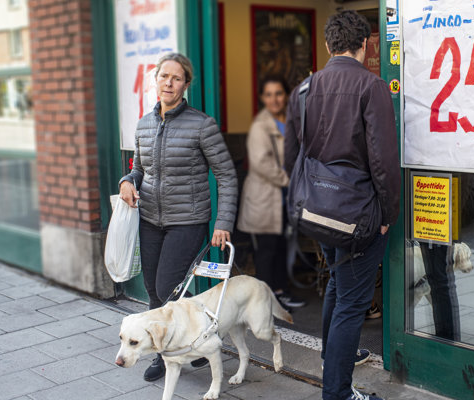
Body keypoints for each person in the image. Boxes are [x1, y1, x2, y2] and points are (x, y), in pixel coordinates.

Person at [284, 11, 400, 400]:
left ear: (329, 44)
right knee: (352, 302)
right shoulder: (373, 87)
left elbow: (290, 157)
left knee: (338, 283)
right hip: (359, 215)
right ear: (365, 45)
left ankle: (334, 359)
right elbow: (383, 160)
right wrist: (388, 215)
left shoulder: (303, 89)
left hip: (317, 210)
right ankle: (338, 393)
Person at [118, 52, 238, 382]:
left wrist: (223, 222)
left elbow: (226, 174)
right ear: (155, 80)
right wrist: (127, 182)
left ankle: (176, 351)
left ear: (186, 84)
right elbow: (139, 169)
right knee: (154, 291)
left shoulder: (202, 124)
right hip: (151, 219)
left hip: (188, 219)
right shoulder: (143, 124)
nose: (169, 82)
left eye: (176, 78)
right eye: (163, 76)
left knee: (166, 286)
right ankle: (175, 348)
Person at [237, 76, 305, 309]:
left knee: (282, 245)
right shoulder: (260, 126)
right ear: (262, 98)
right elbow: (262, 164)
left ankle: (280, 291)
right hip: (264, 198)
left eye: (278, 93)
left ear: (285, 96)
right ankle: (264, 302)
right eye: (269, 94)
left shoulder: (290, 121)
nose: (274, 99)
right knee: (266, 250)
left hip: (284, 197)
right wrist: (293, 181)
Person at [419, 243, 460, 340]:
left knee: (442, 283)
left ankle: (448, 337)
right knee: (434, 282)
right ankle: (442, 333)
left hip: (441, 234)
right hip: (427, 233)